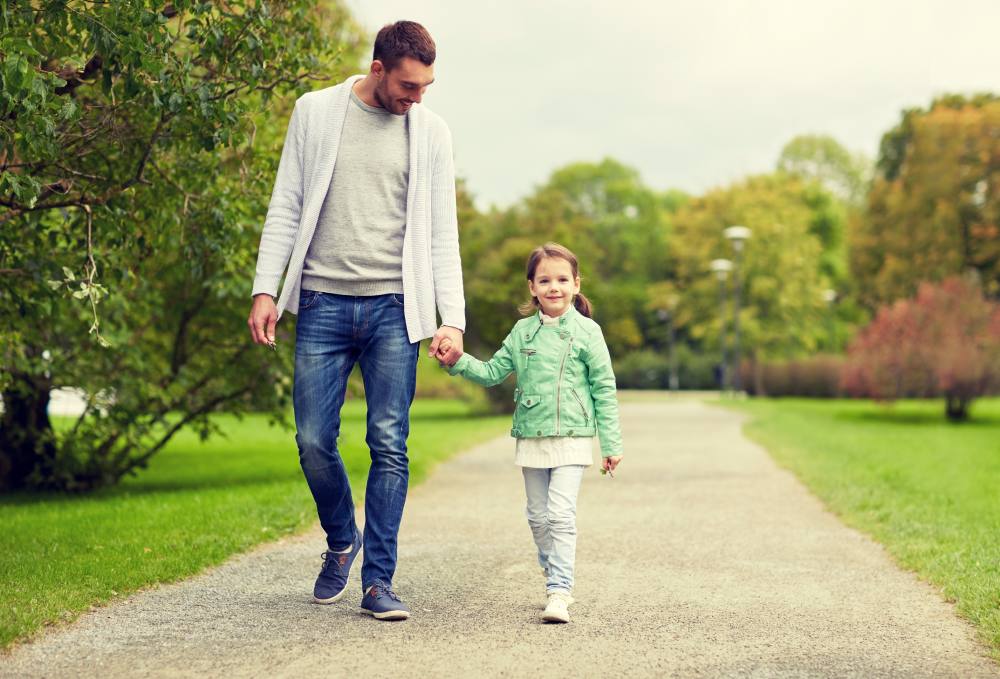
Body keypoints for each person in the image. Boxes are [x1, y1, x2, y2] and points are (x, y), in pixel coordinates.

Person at [246, 20, 465, 621]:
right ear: (377, 69)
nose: (417, 97)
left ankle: (378, 582)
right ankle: (343, 538)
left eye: (426, 87)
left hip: (397, 309)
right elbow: (285, 204)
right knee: (314, 441)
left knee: (389, 445)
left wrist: (454, 319)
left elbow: (443, 231)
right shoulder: (316, 113)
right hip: (320, 302)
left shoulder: (432, 133)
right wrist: (266, 289)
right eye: (408, 86)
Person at [436, 242, 623, 623]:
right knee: (538, 517)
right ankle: (552, 567)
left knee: (560, 514)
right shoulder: (523, 332)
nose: (554, 287)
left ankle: (559, 590)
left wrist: (611, 443)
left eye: (562, 279)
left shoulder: (588, 332)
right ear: (532, 288)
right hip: (532, 435)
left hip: (572, 435)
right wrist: (458, 361)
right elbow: (491, 373)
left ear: (575, 284)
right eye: (545, 280)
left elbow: (604, 387)